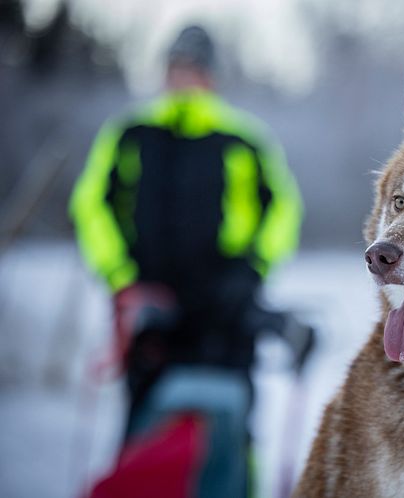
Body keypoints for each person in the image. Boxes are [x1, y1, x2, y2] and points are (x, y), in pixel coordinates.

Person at [70, 25, 311, 497]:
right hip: (149, 308)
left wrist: (252, 270)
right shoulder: (130, 133)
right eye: (176, 67)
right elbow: (90, 206)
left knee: (234, 426)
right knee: (144, 425)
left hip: (227, 307)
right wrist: (122, 278)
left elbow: (283, 210)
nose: (184, 77)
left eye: (193, 68)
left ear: (210, 75)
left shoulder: (244, 138)